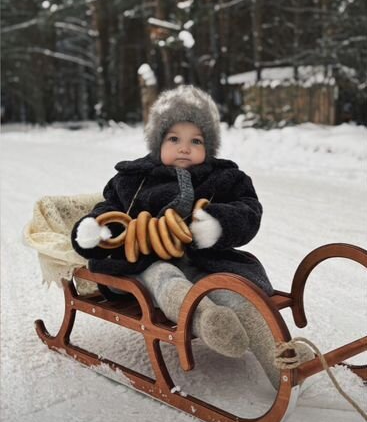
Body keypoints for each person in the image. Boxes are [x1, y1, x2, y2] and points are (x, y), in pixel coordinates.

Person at [71, 85, 311, 389]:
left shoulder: (224, 178)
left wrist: (217, 224)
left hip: (207, 262)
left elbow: (249, 211)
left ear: (208, 146)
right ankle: (208, 321)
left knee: (235, 292)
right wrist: (97, 230)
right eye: (174, 139)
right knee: (166, 278)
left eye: (195, 141)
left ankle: (282, 358)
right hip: (146, 264)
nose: (184, 148)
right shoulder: (132, 179)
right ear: (157, 142)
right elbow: (109, 209)